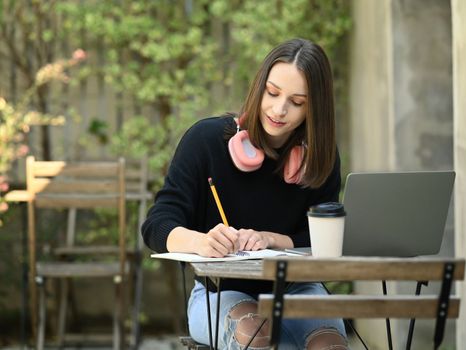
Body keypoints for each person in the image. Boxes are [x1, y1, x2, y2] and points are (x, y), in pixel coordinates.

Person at [142, 38, 348, 350]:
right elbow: (157, 223)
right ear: (259, 86)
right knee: (254, 334)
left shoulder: (320, 158)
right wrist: (200, 242)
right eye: (273, 93)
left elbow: (323, 239)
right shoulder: (205, 140)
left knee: (329, 345)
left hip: (298, 288)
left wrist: (270, 238)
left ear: (315, 108)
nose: (279, 110)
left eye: (297, 102)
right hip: (218, 293)